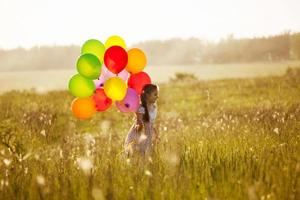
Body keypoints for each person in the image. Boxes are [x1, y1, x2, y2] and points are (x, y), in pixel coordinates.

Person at [124, 84, 160, 158]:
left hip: (148, 133)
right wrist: (140, 125)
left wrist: (155, 134)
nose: (157, 96)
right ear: (147, 95)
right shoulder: (141, 108)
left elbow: (151, 123)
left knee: (147, 154)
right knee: (140, 154)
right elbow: (139, 122)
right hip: (140, 134)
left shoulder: (153, 106)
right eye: (155, 94)